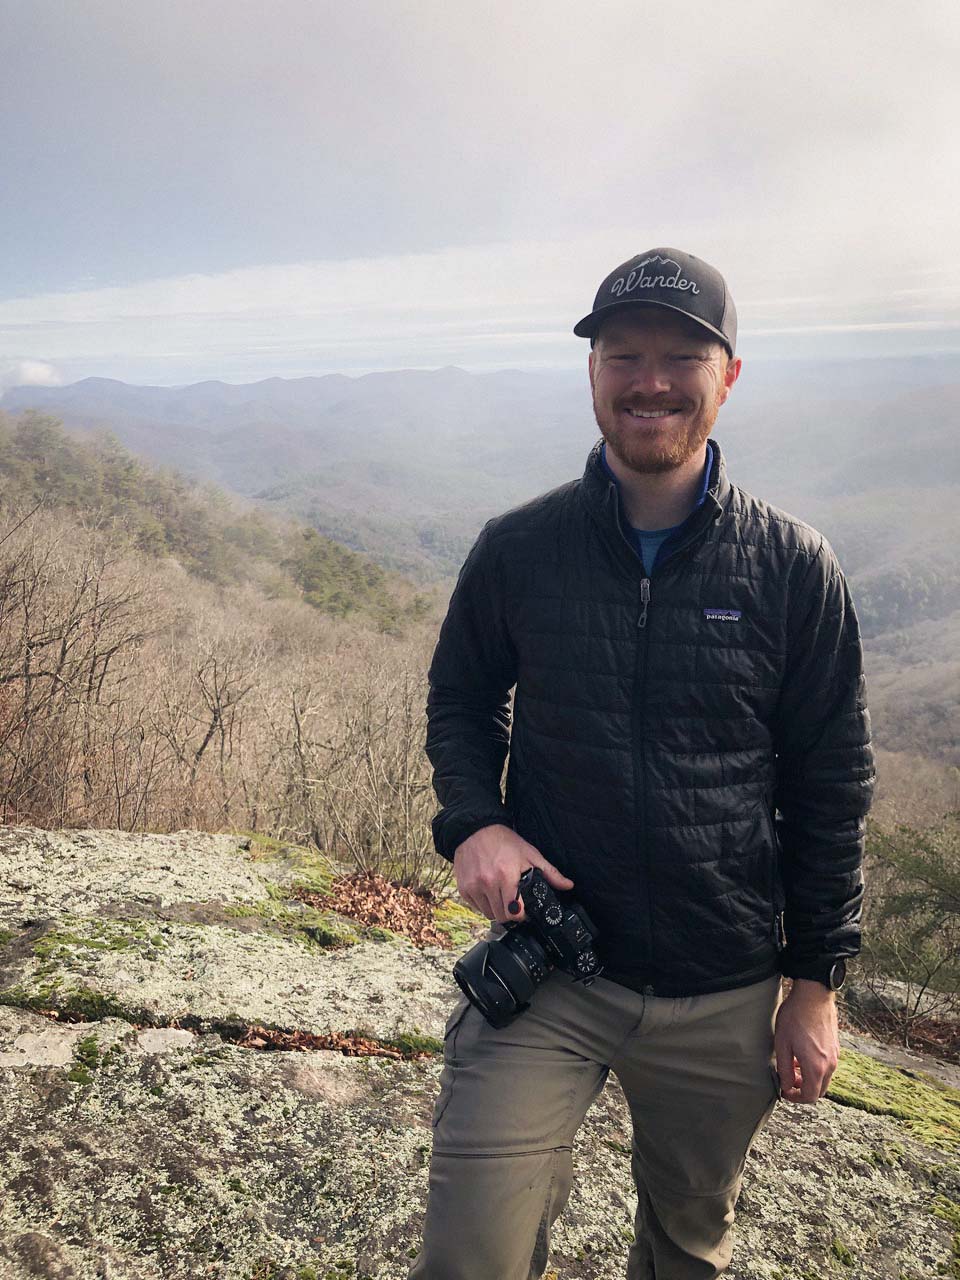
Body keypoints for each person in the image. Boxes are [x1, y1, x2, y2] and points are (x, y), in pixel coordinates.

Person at [410, 248, 875, 1279]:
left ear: (730, 375)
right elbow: (459, 698)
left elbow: (830, 783)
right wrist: (474, 821)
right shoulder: (520, 548)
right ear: (593, 374)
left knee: (685, 1246)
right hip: (551, 970)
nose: (649, 381)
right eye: (623, 355)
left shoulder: (794, 568)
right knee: (469, 1251)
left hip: (723, 987)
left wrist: (815, 981)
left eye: (679, 356)